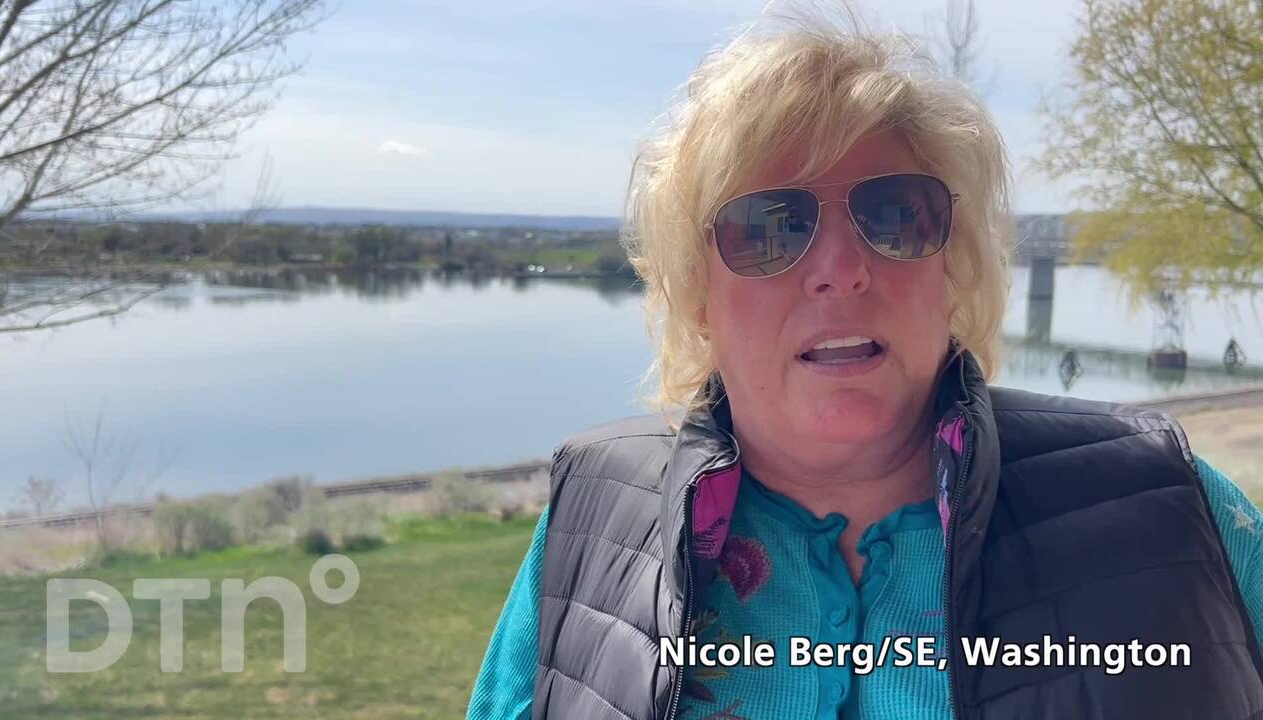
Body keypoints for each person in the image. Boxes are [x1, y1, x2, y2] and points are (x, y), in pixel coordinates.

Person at [467, 6, 1263, 719]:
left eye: (896, 214)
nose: (842, 269)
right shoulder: (591, 526)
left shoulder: (1172, 509)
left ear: (952, 270)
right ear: (697, 295)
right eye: (770, 227)